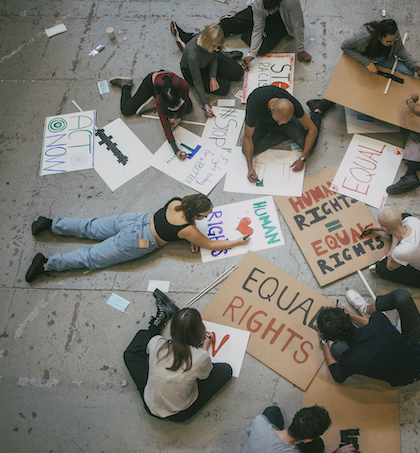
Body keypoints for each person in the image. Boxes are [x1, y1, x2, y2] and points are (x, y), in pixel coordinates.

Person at [24, 194, 250, 282]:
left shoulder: (178, 200)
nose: (206, 218)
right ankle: (45, 265)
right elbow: (209, 244)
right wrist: (236, 242)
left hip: (133, 220)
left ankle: (50, 224)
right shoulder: (188, 229)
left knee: (90, 226)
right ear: (195, 215)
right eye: (204, 215)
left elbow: (186, 227)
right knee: (94, 257)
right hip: (139, 241)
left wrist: (190, 234)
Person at [123, 295, 233, 422]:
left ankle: (160, 320)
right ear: (200, 332)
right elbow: (205, 375)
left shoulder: (156, 342)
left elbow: (148, 341)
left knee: (132, 351)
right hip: (179, 413)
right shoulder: (200, 357)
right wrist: (205, 347)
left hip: (150, 404)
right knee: (225, 370)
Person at [316, 288, 420, 387]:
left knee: (335, 349)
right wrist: (350, 315)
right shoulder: (378, 320)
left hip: (405, 379)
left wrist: (324, 343)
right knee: (401, 296)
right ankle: (368, 310)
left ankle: (367, 311)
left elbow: (337, 376)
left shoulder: (349, 360)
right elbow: (371, 323)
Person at [243, 86, 334, 181]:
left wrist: (303, 158)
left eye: (282, 122)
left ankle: (317, 110)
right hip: (262, 122)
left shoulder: (293, 104)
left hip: (286, 122)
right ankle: (283, 134)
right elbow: (247, 138)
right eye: (278, 121)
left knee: (309, 144)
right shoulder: (255, 105)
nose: (279, 124)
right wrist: (250, 168)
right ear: (272, 108)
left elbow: (312, 130)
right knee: (247, 151)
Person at [109, 71, 191, 159]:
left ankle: (151, 101)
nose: (177, 107)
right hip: (152, 83)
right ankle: (126, 85)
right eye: (173, 107)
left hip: (164, 82)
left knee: (189, 108)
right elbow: (166, 125)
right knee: (126, 110)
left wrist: (179, 117)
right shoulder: (159, 100)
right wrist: (176, 150)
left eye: (178, 103)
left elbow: (185, 100)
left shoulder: (184, 85)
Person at [363, 207, 420, 288]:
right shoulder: (412, 220)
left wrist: (392, 248)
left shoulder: (401, 251)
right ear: (400, 216)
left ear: (385, 228)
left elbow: (389, 267)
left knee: (381, 269)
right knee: (406, 215)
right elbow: (401, 224)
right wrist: (380, 228)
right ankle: (392, 228)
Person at [172, 23, 244, 118]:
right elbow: (197, 82)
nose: (216, 48)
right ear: (206, 41)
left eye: (218, 46)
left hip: (207, 61)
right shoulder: (193, 55)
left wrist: (213, 77)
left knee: (239, 73)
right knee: (224, 88)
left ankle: (223, 65)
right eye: (214, 46)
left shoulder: (210, 44)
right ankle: (225, 62)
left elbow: (213, 56)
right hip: (193, 71)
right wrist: (205, 104)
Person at [217, 0, 311, 67]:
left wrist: (301, 50)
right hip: (259, 12)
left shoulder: (292, 2)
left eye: (272, 9)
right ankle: (208, 36)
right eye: (268, 10)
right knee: (234, 23)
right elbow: (258, 28)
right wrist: (251, 54)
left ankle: (247, 31)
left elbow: (298, 25)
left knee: (262, 48)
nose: (269, 13)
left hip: (280, 22)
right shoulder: (258, 3)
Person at [341, 18, 420, 78]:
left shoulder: (393, 34)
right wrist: (366, 62)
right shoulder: (362, 37)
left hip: (384, 59)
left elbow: (400, 50)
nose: (392, 43)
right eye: (388, 42)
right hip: (366, 58)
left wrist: (415, 66)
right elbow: (344, 46)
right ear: (380, 37)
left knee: (410, 73)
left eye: (394, 40)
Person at [245, 405, 355, 453]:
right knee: (318, 444)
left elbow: (249, 430)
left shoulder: (259, 422)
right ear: (308, 440)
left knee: (272, 411)